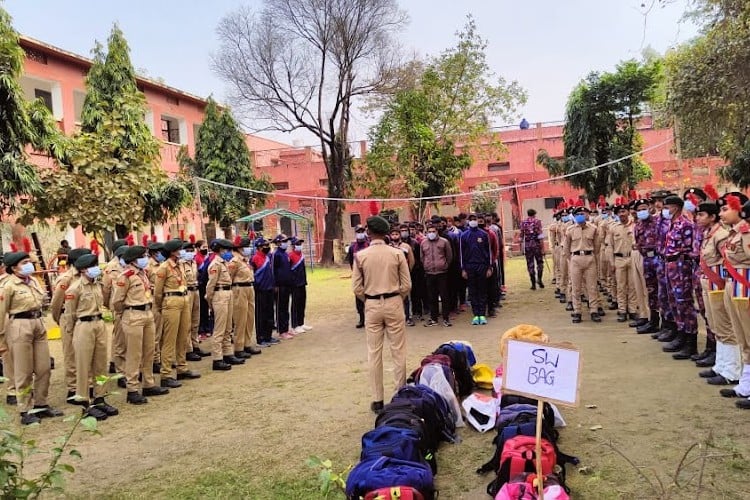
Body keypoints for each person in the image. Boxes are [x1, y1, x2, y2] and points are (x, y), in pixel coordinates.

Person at [351, 215, 412, 414]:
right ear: (386, 233)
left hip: (372, 304)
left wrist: (369, 300)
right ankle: (399, 394)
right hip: (394, 301)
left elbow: (357, 288)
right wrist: (396, 298)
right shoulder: (397, 254)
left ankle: (378, 399)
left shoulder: (361, 256)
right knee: (398, 351)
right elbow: (407, 285)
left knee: (374, 352)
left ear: (369, 232)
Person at [0, 252, 63, 425]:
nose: (30, 265)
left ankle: (41, 404)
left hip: (38, 323)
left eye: (29, 261)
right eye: (25, 262)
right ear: (14, 267)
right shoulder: (8, 285)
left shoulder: (33, 280)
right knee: (23, 370)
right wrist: (1, 340)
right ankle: (25, 409)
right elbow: (1, 313)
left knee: (44, 368)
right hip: (19, 325)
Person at [111, 245, 169, 404]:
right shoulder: (126, 276)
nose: (145, 258)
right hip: (133, 315)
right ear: (134, 259)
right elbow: (117, 301)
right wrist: (124, 314)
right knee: (134, 354)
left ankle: (149, 384)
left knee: (149, 350)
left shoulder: (143, 274)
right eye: (142, 256)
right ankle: (132, 389)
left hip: (147, 313)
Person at [65, 253, 118, 420]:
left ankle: (100, 398)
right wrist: (73, 333)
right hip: (83, 326)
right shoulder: (74, 288)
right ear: (82, 270)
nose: (96, 269)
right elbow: (70, 314)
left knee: (100, 365)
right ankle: (85, 403)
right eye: (92, 266)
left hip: (99, 324)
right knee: (83, 366)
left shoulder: (97, 285)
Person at [694, 199, 739, 385]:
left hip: (718, 284)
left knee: (725, 327)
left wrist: (721, 282)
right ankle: (720, 366)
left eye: (702, 214)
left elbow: (727, 262)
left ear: (711, 218)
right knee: (715, 326)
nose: (698, 218)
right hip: (708, 284)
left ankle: (731, 371)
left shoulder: (720, 235)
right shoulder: (708, 234)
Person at [717, 193, 750, 409]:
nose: (722, 213)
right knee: (744, 339)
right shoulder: (736, 233)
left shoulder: (746, 233)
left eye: (726, 209)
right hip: (736, 285)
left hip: (745, 285)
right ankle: (746, 385)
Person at [155, 239, 201, 388]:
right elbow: (157, 293)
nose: (182, 251)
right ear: (172, 251)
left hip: (184, 299)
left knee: (183, 335)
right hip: (171, 301)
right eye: (179, 249)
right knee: (169, 339)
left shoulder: (180, 265)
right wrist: (161, 307)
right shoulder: (164, 267)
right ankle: (166, 373)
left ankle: (182, 367)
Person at [49, 247, 92, 404]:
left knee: (86, 352)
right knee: (71, 354)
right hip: (68, 317)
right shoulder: (66, 279)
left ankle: (88, 384)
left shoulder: (87, 276)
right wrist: (61, 320)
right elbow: (56, 305)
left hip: (83, 318)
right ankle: (73, 388)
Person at [660, 196, 699, 359]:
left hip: (681, 267)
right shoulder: (671, 224)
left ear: (675, 207)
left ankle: (691, 342)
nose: (665, 210)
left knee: (684, 303)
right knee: (674, 302)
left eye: (667, 207)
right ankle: (681, 334)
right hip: (670, 266)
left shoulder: (686, 225)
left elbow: (691, 249)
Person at [206, 239, 244, 370]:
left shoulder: (224, 263)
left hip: (228, 293)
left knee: (228, 327)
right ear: (220, 250)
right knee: (220, 329)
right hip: (220, 294)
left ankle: (228, 353)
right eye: (226, 250)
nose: (228, 252)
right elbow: (210, 286)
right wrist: (210, 302)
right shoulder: (215, 264)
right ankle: (217, 358)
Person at [564, 206, 603, 323]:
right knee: (576, 287)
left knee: (592, 286)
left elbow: (597, 246)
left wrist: (592, 256)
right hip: (575, 258)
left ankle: (594, 310)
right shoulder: (570, 230)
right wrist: (571, 259)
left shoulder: (593, 228)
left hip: (589, 257)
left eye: (582, 213)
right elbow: (566, 248)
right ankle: (577, 311)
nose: (580, 216)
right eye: (578, 214)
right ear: (574, 216)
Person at [459, 214, 492, 325]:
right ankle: (475, 314)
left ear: (478, 221)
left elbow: (489, 252)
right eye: (471, 220)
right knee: (472, 291)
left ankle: (482, 314)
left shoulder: (483, 234)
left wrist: (489, 267)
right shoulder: (464, 236)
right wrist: (463, 269)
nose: (473, 221)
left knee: (482, 290)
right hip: (469, 267)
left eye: (475, 219)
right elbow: (461, 254)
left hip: (482, 266)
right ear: (468, 221)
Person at [231, 237, 260, 359]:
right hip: (239, 289)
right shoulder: (234, 261)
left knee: (249, 317)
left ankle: (247, 344)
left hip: (249, 288)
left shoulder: (245, 260)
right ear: (239, 248)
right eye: (246, 246)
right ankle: (239, 347)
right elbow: (229, 277)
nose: (248, 249)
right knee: (240, 319)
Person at [606, 204, 637, 322]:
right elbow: (610, 247)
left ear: (628, 212)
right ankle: (622, 310)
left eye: (623, 211)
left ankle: (633, 310)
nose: (621, 214)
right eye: (619, 212)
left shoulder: (634, 226)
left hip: (632, 258)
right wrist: (612, 262)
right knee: (620, 287)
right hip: (619, 260)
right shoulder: (613, 228)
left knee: (633, 286)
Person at [180, 241, 210, 361]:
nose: (190, 253)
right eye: (187, 251)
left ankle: (195, 345)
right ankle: (188, 349)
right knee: (187, 322)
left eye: (191, 251)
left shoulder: (193, 263)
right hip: (186, 292)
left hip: (196, 291)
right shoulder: (180, 264)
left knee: (195, 321)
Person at [420, 223, 453, 327]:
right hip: (429, 273)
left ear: (437, 232)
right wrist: (426, 266)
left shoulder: (444, 242)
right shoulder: (423, 243)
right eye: (429, 232)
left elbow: (449, 256)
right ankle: (433, 318)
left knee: (444, 296)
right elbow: (422, 257)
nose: (431, 233)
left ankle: (446, 318)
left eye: (433, 231)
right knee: (431, 297)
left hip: (442, 273)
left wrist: (444, 265)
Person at [251, 238, 278, 347]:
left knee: (270, 313)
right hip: (260, 290)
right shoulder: (255, 259)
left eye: (268, 245)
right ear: (259, 247)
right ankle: (261, 338)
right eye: (264, 245)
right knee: (261, 315)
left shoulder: (267, 257)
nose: (267, 247)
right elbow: (252, 275)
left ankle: (268, 336)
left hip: (269, 288)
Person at [389, 227, 415, 326]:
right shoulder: (388, 247)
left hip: (404, 275)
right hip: (392, 276)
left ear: (399, 235)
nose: (395, 236)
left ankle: (408, 317)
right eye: (393, 234)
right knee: (393, 297)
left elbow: (411, 260)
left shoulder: (406, 246)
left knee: (406, 296)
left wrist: (407, 272)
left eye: (396, 234)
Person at [347, 225, 370, 329]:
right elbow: (351, 261)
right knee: (358, 295)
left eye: (362, 231)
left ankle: (371, 317)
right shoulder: (352, 247)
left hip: (369, 274)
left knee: (370, 296)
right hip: (358, 275)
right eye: (358, 231)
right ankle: (361, 318)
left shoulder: (369, 245)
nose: (360, 233)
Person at [147, 241, 165, 373]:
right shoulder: (148, 266)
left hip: (165, 299)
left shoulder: (163, 265)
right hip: (153, 299)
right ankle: (155, 360)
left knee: (164, 331)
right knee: (156, 333)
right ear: (154, 253)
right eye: (160, 252)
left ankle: (163, 358)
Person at [272, 234, 294, 340]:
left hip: (287, 284)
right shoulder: (276, 254)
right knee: (280, 308)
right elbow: (273, 270)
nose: (286, 243)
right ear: (278, 243)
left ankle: (286, 327)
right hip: (279, 285)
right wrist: (275, 284)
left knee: (285, 307)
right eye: (284, 241)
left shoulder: (285, 254)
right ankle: (281, 330)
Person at [289, 236, 312, 335]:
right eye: (298, 244)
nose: (299, 246)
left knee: (302, 303)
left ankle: (301, 323)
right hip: (295, 284)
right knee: (295, 304)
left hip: (302, 282)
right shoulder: (290, 256)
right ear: (294, 246)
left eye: (300, 244)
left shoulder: (301, 255)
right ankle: (295, 325)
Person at [520, 208, 545, 290]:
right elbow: (540, 235)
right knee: (540, 262)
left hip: (528, 246)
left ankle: (533, 283)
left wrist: (522, 247)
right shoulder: (537, 222)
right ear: (534, 214)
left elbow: (521, 236)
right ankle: (539, 279)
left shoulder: (523, 222)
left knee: (530, 264)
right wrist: (543, 248)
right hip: (537, 244)